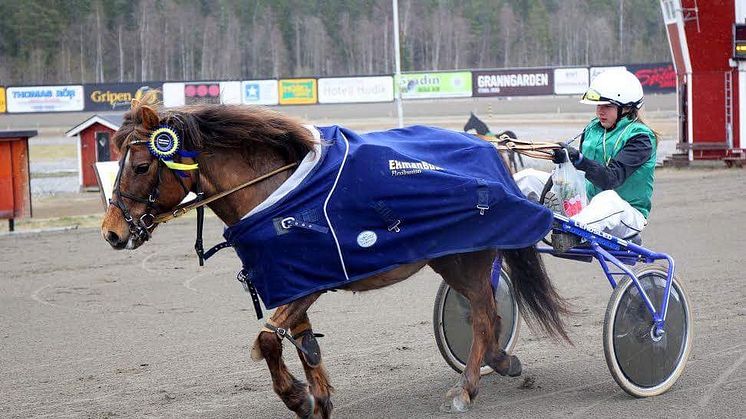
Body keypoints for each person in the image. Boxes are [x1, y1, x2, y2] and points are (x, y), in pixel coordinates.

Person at [513, 69, 657, 248]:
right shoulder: (593, 129)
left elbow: (610, 179)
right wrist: (565, 160)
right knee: (529, 177)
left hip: (625, 215)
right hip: (586, 204)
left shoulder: (641, 138)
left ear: (626, 107)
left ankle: (568, 231)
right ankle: (492, 212)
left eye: (607, 106)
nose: (600, 112)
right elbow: (578, 173)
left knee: (608, 199)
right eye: (598, 106)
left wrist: (580, 160)